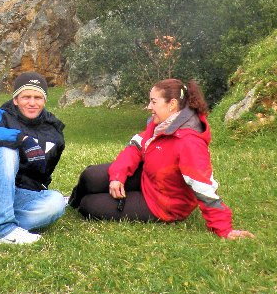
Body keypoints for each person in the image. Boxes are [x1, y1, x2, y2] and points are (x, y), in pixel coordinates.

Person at [68, 78, 254, 239]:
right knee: (90, 176)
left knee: (89, 205)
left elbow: (204, 188)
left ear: (171, 104)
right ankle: (69, 202)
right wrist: (118, 175)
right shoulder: (161, 125)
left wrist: (224, 229)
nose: (149, 107)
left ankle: (81, 203)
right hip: (148, 178)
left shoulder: (189, 142)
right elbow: (136, 146)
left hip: (161, 204)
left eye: (153, 102)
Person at [0, 71, 67, 245]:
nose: (32, 103)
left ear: (44, 101)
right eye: (26, 97)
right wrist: (21, 139)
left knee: (57, 202)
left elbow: (44, 177)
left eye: (38, 97)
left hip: (22, 196)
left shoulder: (53, 130)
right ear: (15, 99)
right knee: (7, 150)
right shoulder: (0, 115)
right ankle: (1, 230)